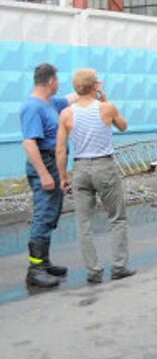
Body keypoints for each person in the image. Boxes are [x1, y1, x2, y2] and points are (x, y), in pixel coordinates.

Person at [56, 69, 135, 284]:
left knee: (83, 223)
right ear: (95, 87)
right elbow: (123, 126)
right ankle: (118, 266)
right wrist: (106, 100)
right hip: (104, 166)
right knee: (117, 218)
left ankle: (93, 271)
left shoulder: (66, 114)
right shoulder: (106, 108)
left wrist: (63, 177)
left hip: (80, 169)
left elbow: (61, 150)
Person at [20, 63, 76, 288]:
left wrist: (90, 87)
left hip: (53, 163)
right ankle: (35, 270)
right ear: (51, 81)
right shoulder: (32, 107)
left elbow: (70, 98)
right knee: (43, 214)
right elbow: (29, 143)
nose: (59, 84)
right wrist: (44, 174)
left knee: (51, 212)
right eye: (58, 80)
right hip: (44, 163)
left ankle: (44, 262)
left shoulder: (49, 102)